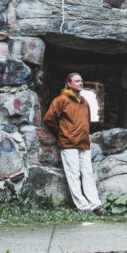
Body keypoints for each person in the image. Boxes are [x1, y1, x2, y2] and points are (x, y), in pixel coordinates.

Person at [43, 73, 105, 215]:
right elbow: (49, 119)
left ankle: (96, 205)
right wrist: (62, 132)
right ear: (69, 84)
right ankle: (83, 207)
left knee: (87, 174)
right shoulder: (61, 100)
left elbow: (87, 121)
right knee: (73, 175)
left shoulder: (84, 102)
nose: (80, 83)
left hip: (83, 142)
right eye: (77, 81)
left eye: (81, 81)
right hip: (68, 143)